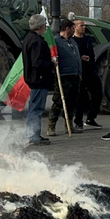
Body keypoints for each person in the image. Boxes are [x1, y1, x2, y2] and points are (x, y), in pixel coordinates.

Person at [22, 14, 56, 145]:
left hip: (34, 78)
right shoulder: (37, 41)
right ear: (41, 26)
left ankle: (33, 134)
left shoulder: (29, 38)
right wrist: (52, 64)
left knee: (35, 107)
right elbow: (38, 62)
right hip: (39, 78)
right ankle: (33, 135)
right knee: (36, 108)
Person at [47, 19, 82, 136]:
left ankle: (69, 125)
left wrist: (79, 72)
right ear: (67, 28)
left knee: (72, 102)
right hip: (63, 76)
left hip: (75, 75)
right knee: (58, 102)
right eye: (73, 28)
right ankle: (51, 126)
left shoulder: (73, 42)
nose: (74, 30)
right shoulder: (56, 41)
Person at [72, 18, 103, 129]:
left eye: (84, 25)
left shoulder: (88, 39)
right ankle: (78, 121)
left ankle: (91, 118)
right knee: (80, 97)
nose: (84, 27)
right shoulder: (72, 41)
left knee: (98, 94)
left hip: (91, 71)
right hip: (80, 72)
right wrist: (80, 58)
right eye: (81, 25)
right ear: (75, 27)